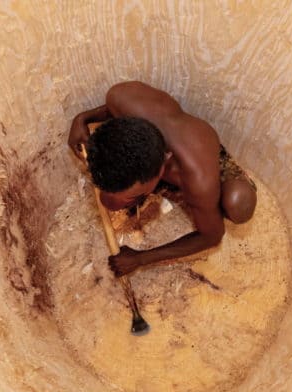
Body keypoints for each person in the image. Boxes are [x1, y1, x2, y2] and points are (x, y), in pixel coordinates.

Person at [68, 81, 257, 277]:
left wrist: (141, 258)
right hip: (166, 158)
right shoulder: (121, 97)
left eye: (137, 194)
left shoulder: (198, 179)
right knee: (110, 201)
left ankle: (233, 188)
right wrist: (82, 118)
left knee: (239, 203)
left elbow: (212, 236)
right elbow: (109, 111)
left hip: (206, 161)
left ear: (162, 169)